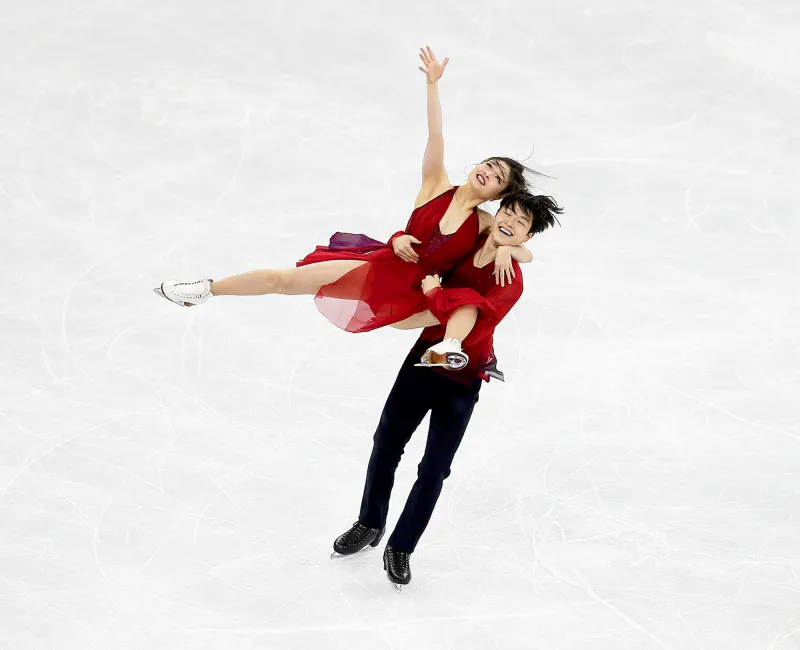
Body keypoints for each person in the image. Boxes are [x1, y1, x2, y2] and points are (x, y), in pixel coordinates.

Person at [154, 47, 543, 357]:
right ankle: (206, 288)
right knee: (284, 280)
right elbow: (435, 133)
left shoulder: (486, 224)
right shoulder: (436, 184)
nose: (488, 173)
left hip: (415, 296)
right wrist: (433, 85)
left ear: (498, 194)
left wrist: (509, 251)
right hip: (381, 269)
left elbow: (524, 248)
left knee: (467, 306)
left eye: (497, 178)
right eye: (488, 165)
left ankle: (470, 355)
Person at [330, 191, 563, 588]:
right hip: (424, 358)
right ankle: (369, 523)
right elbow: (432, 248)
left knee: (434, 469)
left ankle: (401, 547)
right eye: (507, 211)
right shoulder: (471, 243)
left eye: (521, 222)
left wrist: (436, 294)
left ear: (528, 235)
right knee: (386, 443)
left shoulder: (511, 280)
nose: (509, 221)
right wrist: (399, 239)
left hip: (463, 374)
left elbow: (476, 314)